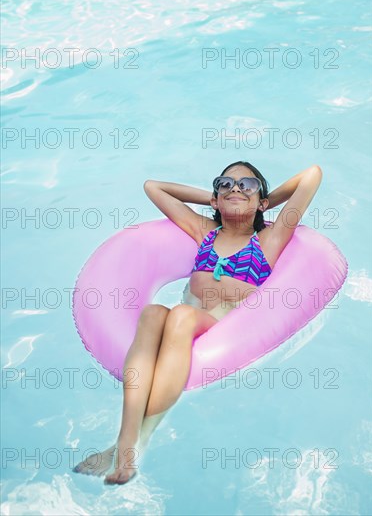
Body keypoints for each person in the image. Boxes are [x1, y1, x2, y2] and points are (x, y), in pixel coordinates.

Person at [74, 160, 322, 485]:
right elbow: (153, 187)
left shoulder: (270, 239)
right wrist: (217, 198)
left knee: (180, 315)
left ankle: (137, 442)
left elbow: (312, 174)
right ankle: (124, 438)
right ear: (214, 199)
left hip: (219, 326)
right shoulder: (205, 231)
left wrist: (262, 202)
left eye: (246, 185)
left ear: (262, 201)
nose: (235, 188)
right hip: (184, 321)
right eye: (225, 184)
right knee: (152, 313)